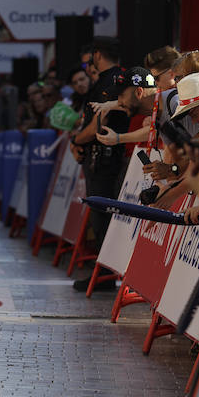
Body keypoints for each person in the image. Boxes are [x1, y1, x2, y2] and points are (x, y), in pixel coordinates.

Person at [69, 36, 129, 291]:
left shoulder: (111, 81)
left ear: (97, 54)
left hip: (105, 159)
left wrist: (76, 139)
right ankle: (102, 271)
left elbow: (96, 127)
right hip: (99, 157)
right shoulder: (112, 80)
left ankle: (104, 275)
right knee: (99, 216)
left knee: (101, 216)